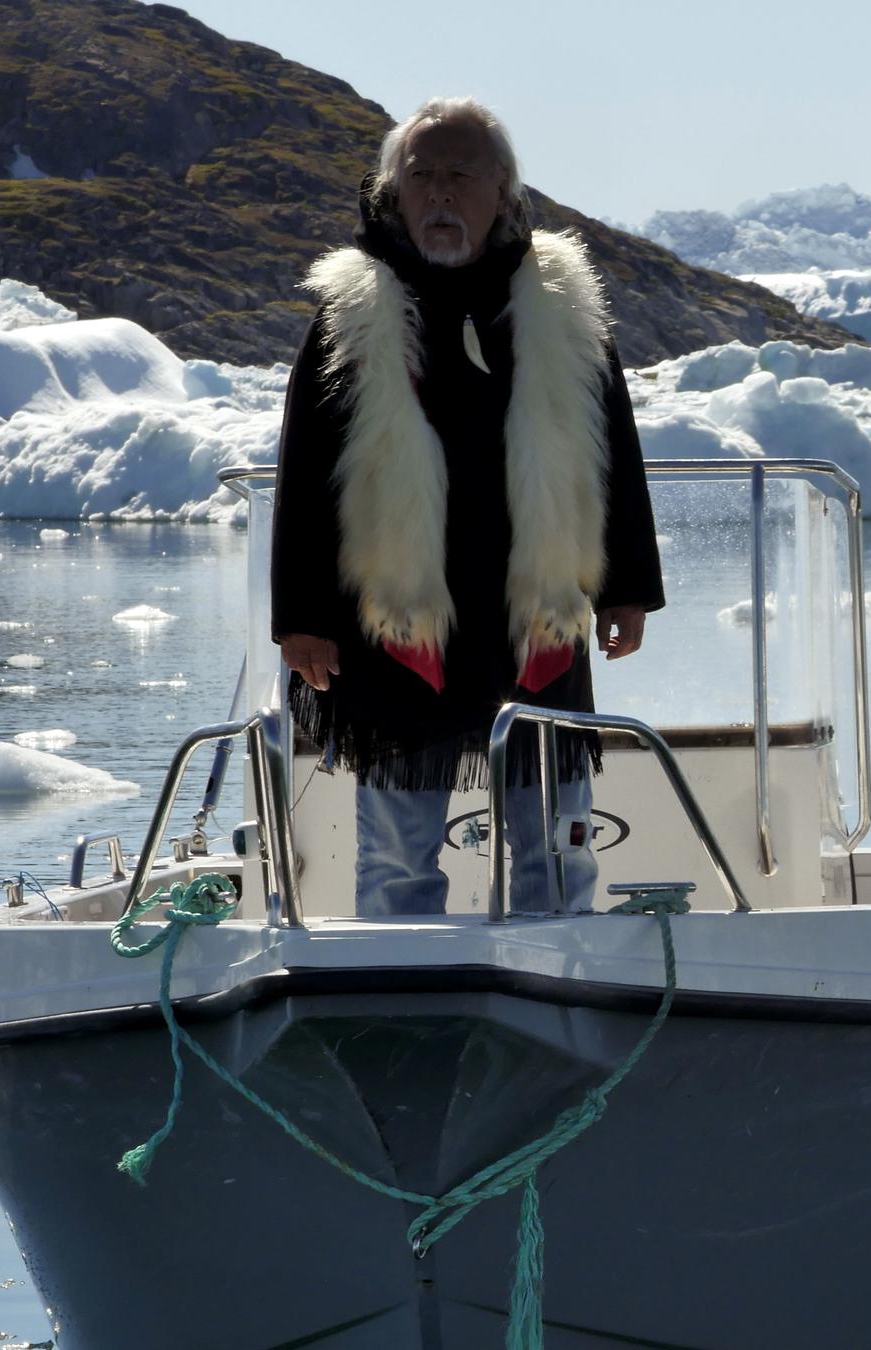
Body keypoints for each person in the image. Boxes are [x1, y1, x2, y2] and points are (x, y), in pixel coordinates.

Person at [269, 96, 663, 916]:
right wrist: (300, 617)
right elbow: (305, 468)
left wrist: (629, 587)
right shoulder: (352, 310)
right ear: (394, 192)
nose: (441, 194)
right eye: (422, 177)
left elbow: (613, 449)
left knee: (553, 846)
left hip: (536, 609)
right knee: (396, 857)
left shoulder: (560, 305)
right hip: (395, 616)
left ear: (504, 193)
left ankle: (558, 972)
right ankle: (404, 980)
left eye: (462, 176)